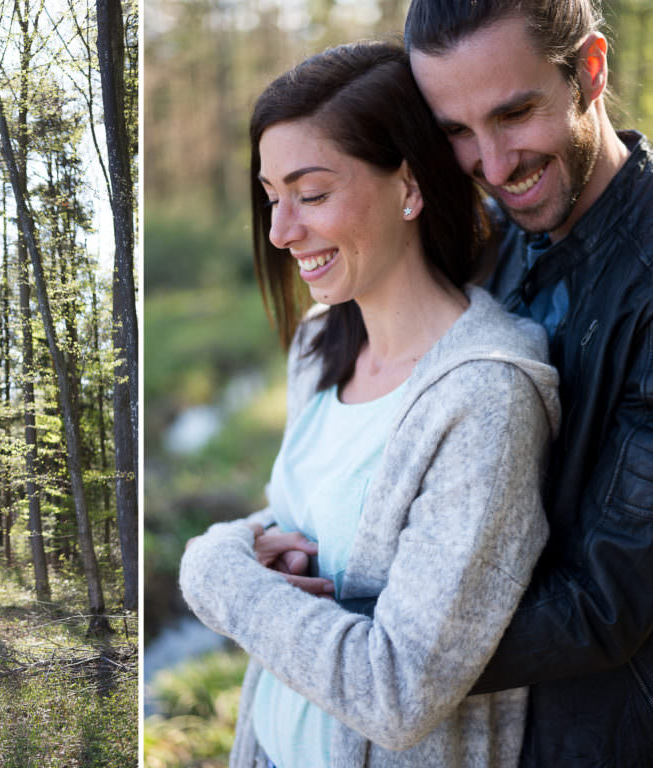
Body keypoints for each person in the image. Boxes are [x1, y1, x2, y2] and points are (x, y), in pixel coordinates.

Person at [178, 41, 561, 767]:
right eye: (271, 196)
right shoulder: (321, 345)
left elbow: (399, 690)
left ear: (409, 187)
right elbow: (305, 529)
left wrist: (211, 571)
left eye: (312, 194)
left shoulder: (487, 399)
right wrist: (240, 544)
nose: (280, 231)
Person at [403, 1, 653, 764]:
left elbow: (603, 603)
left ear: (591, 70)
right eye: (454, 130)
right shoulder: (493, 236)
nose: (493, 162)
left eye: (515, 114)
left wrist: (364, 627)